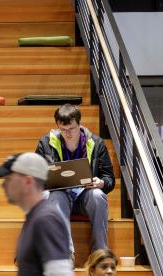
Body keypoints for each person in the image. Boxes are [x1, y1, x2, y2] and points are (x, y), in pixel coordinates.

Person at [36, 103, 114, 254]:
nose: (68, 134)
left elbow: (109, 178)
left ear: (79, 124)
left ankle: (100, 254)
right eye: (63, 130)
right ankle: (66, 253)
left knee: (98, 196)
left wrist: (101, 182)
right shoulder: (46, 143)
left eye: (71, 128)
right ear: (57, 126)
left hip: (86, 197)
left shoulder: (96, 143)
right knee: (55, 196)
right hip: (60, 198)